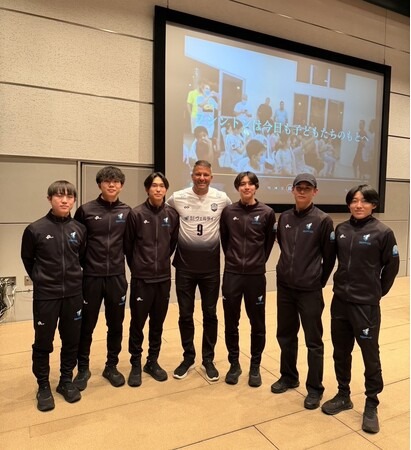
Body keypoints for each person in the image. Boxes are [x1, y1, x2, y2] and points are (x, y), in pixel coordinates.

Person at [321, 185, 399, 434]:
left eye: (364, 201)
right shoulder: (341, 229)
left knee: (369, 354)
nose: (358, 205)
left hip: (366, 305)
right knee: (340, 351)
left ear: (373, 204)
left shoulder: (383, 232)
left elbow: (391, 267)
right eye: (354, 200)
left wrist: (376, 293)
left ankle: (371, 404)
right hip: (340, 301)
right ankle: (343, 395)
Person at [272, 173, 336, 411]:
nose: (302, 191)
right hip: (285, 288)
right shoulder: (285, 217)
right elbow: (282, 245)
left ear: (315, 192)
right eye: (298, 187)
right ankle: (288, 376)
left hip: (309, 290)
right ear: (292, 190)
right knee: (285, 335)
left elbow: (329, 258)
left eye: (307, 188)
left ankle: (315, 388)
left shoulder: (323, 220)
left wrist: (317, 281)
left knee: (313, 340)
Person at [21, 180, 87, 411]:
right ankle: (43, 385)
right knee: (43, 342)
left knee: (71, 340)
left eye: (69, 196)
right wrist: (42, 279)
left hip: (73, 294)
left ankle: (65, 381)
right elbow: (28, 260)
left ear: (74, 200)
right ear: (49, 199)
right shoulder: (35, 229)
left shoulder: (79, 229)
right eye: (59, 196)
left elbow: (81, 258)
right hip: (46, 296)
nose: (64, 200)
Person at [167, 160, 231, 381]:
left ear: (211, 177)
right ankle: (188, 358)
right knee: (185, 314)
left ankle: (208, 360)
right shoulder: (177, 197)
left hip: (211, 269)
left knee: (210, 314)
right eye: (198, 174)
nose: (201, 178)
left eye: (205, 175)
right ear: (192, 175)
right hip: (184, 268)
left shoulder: (221, 198)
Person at [73, 166, 131, 390]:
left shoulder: (127, 212)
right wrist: (86, 265)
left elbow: (130, 244)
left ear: (121, 185)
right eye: (107, 181)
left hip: (117, 277)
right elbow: (77, 243)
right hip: (91, 277)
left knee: (115, 324)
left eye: (116, 181)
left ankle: (111, 366)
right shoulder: (85, 210)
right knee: (86, 325)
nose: (111, 185)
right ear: (100, 184)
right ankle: (83, 368)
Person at [220, 172, 276, 387]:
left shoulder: (267, 213)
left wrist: (256, 262)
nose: (246, 187)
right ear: (237, 188)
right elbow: (225, 241)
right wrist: (235, 261)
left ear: (256, 187)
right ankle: (234, 365)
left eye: (250, 184)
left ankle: (255, 366)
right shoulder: (228, 212)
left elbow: (268, 244)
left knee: (257, 323)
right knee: (231, 322)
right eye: (242, 184)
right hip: (232, 275)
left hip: (255, 277)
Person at [123, 172, 179, 387]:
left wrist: (161, 263)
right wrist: (139, 267)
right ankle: (135, 364)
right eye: (154, 186)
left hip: (163, 278)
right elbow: (128, 247)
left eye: (162, 186)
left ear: (166, 190)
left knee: (157, 323)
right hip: (142, 279)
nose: (158, 189)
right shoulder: (136, 214)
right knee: (137, 323)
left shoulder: (172, 214)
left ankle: (152, 361)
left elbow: (171, 244)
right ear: (147, 189)